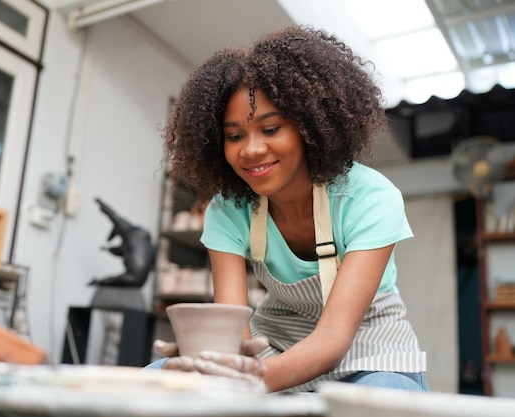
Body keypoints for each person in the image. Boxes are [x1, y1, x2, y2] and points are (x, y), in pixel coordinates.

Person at [150, 25, 429, 394]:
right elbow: (232, 330)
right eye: (235, 136)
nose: (251, 150)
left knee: (381, 403)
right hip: (276, 342)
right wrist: (212, 358)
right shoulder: (229, 209)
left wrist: (242, 381)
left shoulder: (370, 199)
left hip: (369, 348)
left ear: (310, 126)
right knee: (155, 379)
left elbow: (333, 338)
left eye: (270, 129)